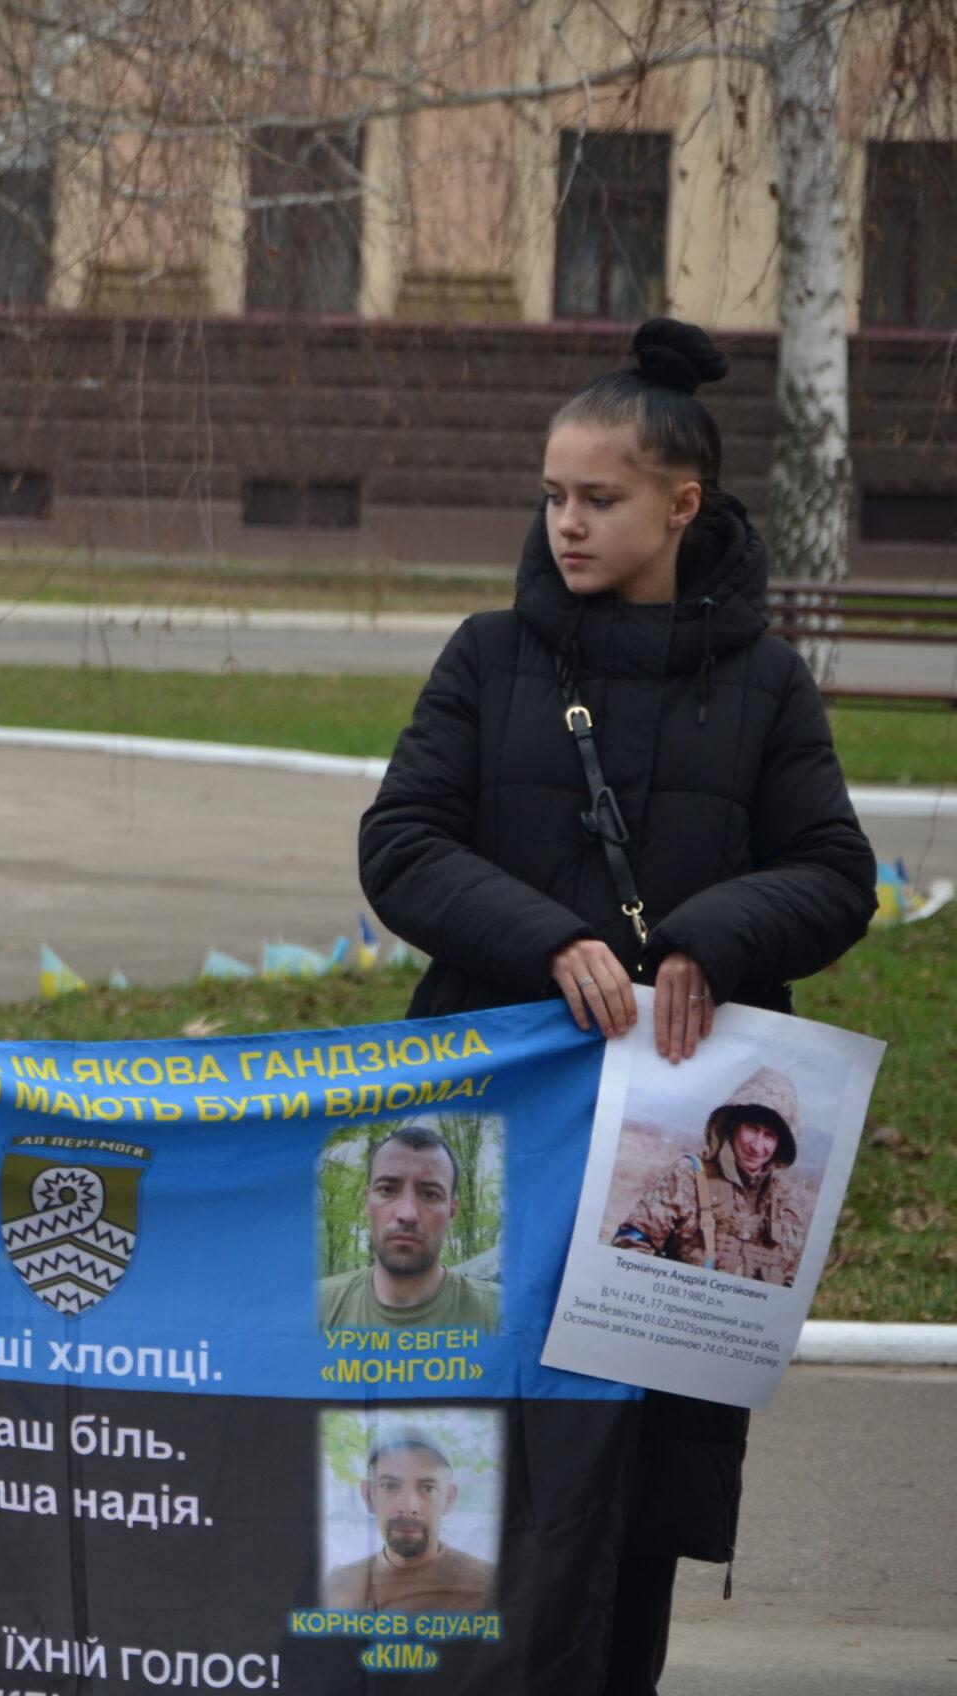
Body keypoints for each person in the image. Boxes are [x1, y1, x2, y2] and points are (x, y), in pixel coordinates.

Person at [356, 317, 874, 1696]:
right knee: (452, 1469)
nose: (567, 525)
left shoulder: (766, 688)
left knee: (635, 1495)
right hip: (490, 1119)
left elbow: (835, 876)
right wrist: (550, 944)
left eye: (599, 499)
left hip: (685, 1156)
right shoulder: (488, 656)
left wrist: (709, 933)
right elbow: (401, 844)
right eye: (553, 497)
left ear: (680, 505)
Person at [613, 1065, 809, 1287]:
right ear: (733, 1126)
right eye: (752, 1128)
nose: (757, 1146)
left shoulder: (790, 1206)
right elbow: (630, 1246)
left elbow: (792, 1286)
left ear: (779, 1145)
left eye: (769, 1136)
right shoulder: (688, 1176)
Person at [317, 1126, 500, 1333]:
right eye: (387, 1190)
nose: (408, 1213)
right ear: (367, 1200)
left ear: (452, 1210)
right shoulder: (316, 1310)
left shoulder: (501, 1315)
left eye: (430, 1194)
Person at [320, 1428, 496, 1613]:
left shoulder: (490, 1586)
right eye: (390, 1486)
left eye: (427, 1488)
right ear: (368, 1496)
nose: (408, 1506)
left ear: (449, 1499)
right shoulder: (335, 1586)